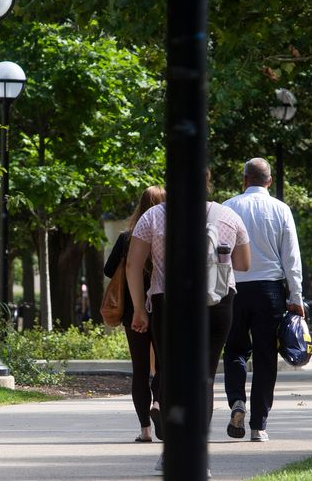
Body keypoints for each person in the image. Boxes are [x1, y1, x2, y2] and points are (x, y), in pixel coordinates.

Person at [128, 171, 250, 472]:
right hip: (217, 302)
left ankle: (171, 451)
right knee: (205, 377)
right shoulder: (228, 216)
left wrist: (138, 310)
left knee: (169, 373)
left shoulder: (153, 217)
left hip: (168, 302)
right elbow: (245, 264)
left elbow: (133, 265)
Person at [222, 157, 304, 443]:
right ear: (269, 181)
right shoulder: (281, 209)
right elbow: (291, 258)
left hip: (234, 289)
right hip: (270, 290)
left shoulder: (228, 207)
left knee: (234, 350)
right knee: (266, 357)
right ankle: (259, 425)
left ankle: (236, 401)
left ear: (244, 180)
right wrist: (296, 297)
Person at [103, 185, 166, 443]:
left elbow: (109, 270)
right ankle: (160, 402)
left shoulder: (128, 237)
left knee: (140, 369)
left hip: (133, 310)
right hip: (163, 306)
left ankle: (144, 431)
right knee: (164, 365)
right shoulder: (168, 234)